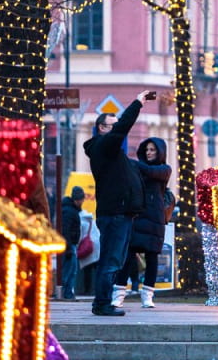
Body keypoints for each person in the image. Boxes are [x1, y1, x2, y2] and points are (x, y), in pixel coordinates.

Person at [85, 90, 155, 316]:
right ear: (102, 128)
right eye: (112, 125)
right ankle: (102, 304)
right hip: (115, 214)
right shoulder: (104, 146)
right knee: (111, 260)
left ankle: (103, 302)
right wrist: (137, 103)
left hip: (122, 213)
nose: (117, 128)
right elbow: (124, 126)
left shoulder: (111, 152)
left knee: (115, 259)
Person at [111, 137, 171, 309]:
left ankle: (147, 296)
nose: (149, 153)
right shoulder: (136, 168)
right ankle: (119, 295)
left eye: (153, 150)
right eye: (147, 150)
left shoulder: (164, 169)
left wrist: (130, 162)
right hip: (137, 217)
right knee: (128, 257)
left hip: (155, 219)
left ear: (160, 152)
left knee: (152, 257)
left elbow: (150, 172)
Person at [59, 187, 86, 300]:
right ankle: (67, 293)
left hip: (70, 245)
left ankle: (68, 292)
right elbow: (66, 230)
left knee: (71, 270)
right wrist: (69, 247)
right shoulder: (70, 212)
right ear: (78, 199)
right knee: (70, 270)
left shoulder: (69, 210)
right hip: (69, 245)